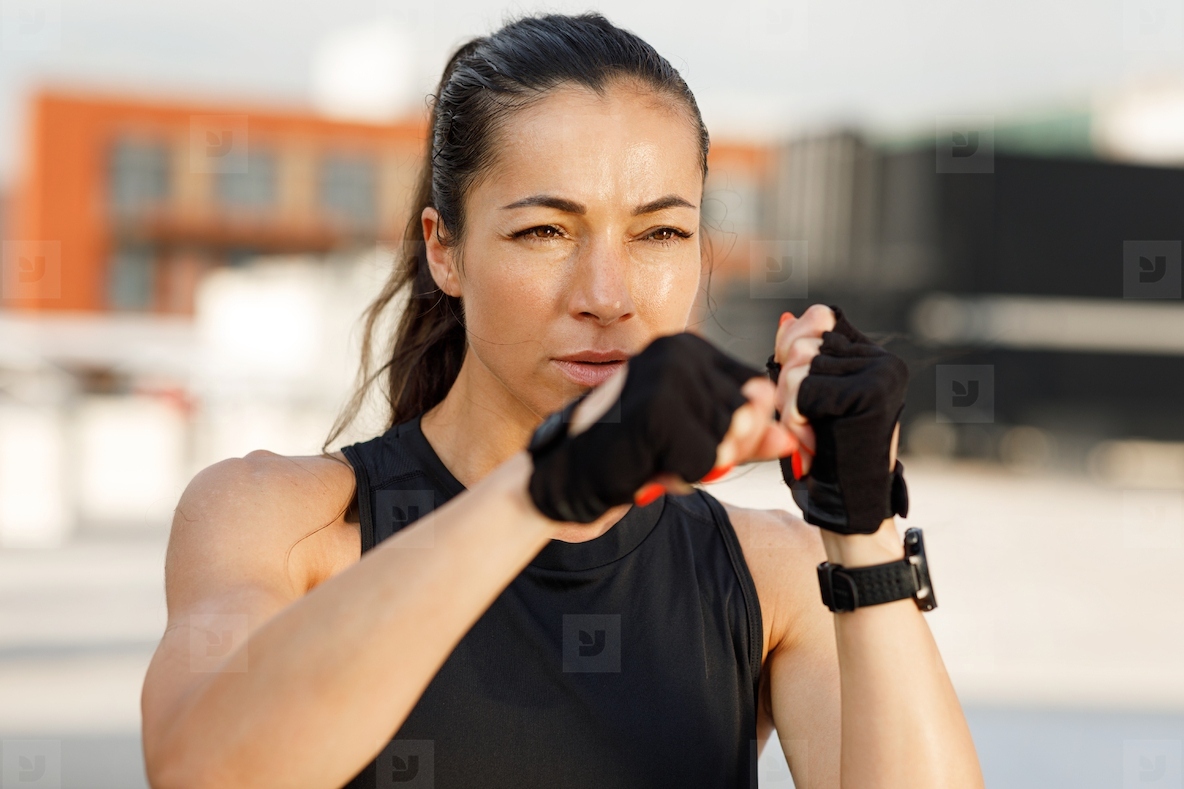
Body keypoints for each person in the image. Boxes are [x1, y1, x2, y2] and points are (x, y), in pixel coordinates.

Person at [141, 13, 984, 789]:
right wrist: (546, 487)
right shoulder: (280, 520)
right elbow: (200, 769)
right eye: (545, 230)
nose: (607, 294)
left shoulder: (768, 574)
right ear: (445, 249)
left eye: (660, 233)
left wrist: (863, 529)